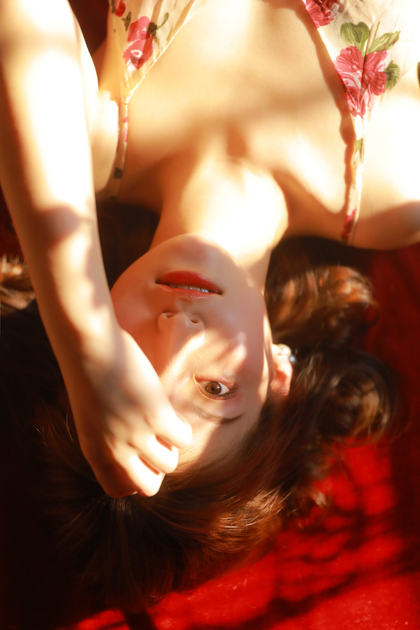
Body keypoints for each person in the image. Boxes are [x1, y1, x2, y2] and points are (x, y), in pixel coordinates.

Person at [0, 0, 418, 598]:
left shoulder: (89, 142)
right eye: (215, 390)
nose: (179, 329)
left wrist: (86, 335)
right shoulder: (396, 195)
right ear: (278, 375)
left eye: (131, 370)